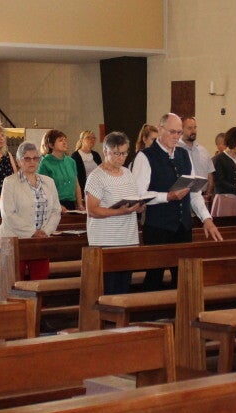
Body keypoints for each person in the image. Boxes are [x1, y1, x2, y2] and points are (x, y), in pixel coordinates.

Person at [132, 114, 223, 290]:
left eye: (179, 132)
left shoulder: (183, 154)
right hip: (158, 227)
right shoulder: (145, 156)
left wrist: (206, 219)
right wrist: (167, 196)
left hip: (183, 226)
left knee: (183, 278)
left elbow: (194, 191)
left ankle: (180, 308)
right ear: (160, 130)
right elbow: (139, 194)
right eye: (172, 132)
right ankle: (151, 307)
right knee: (154, 277)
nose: (176, 136)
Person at [84, 132, 146, 295]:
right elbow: (92, 210)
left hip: (128, 239)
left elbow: (132, 199)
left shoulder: (128, 173)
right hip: (106, 241)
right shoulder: (96, 177)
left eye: (124, 153)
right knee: (108, 289)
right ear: (105, 151)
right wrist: (119, 211)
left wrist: (139, 206)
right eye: (116, 153)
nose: (121, 158)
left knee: (124, 289)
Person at [0, 142, 61, 299]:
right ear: (19, 161)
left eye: (35, 158)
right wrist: (32, 232)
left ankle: (38, 312)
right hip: (15, 241)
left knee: (40, 284)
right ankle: (14, 314)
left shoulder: (48, 182)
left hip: (40, 241)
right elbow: (8, 214)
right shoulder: (10, 182)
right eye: (27, 159)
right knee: (14, 286)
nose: (32, 162)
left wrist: (45, 232)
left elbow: (56, 210)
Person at [38, 129, 79, 209]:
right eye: (60, 140)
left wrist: (80, 204)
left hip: (72, 203)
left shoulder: (71, 161)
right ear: (51, 145)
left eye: (65, 140)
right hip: (54, 204)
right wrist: (57, 205)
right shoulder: (45, 163)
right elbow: (42, 189)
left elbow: (77, 185)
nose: (64, 142)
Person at [179, 117, 215, 190]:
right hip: (183, 194)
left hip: (202, 194)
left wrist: (208, 193)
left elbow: (210, 176)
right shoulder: (176, 149)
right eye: (189, 128)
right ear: (181, 129)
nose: (193, 131)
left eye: (195, 127)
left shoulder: (203, 151)